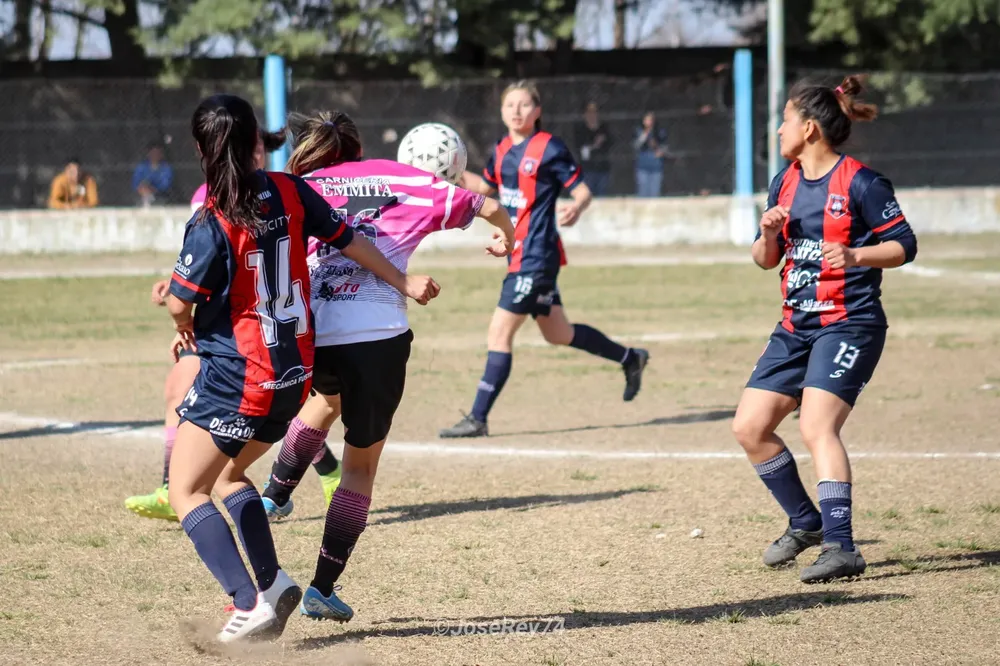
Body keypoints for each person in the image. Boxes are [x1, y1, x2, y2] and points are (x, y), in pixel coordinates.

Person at [165, 94, 437, 642]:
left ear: (201, 149)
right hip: (292, 375)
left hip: (240, 375)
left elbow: (178, 301)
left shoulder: (212, 218)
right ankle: (273, 584)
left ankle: (247, 602)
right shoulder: (291, 190)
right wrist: (403, 280)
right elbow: (349, 239)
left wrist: (184, 323)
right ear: (257, 143)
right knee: (229, 475)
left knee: (185, 491)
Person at [254, 110, 513, 621]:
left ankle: (274, 496)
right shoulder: (411, 181)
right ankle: (322, 588)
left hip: (313, 331)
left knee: (323, 402)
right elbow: (490, 206)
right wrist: (505, 238)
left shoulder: (303, 184)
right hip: (376, 337)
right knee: (359, 467)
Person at [730, 76, 918, 583]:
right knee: (749, 428)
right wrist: (768, 234)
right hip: (795, 326)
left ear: (809, 128)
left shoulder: (862, 183)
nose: (778, 130)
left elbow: (904, 245)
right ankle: (806, 522)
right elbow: (764, 260)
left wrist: (857, 254)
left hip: (849, 324)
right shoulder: (784, 182)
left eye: (785, 120)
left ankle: (842, 547)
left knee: (817, 427)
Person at [124, 128, 343, 522]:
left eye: (257, 146)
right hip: (229, 325)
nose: (252, 154)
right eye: (245, 146)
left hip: (263, 328)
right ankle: (173, 487)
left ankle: (312, 474)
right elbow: (205, 259)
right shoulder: (209, 199)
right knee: (183, 389)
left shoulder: (281, 192)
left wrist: (183, 313)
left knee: (274, 405)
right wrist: (175, 286)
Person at [439, 80, 650, 439]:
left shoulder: (549, 147)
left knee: (499, 331)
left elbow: (582, 191)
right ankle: (630, 358)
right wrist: (447, 173)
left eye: (524, 105)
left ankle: (478, 417)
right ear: (502, 112)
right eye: (510, 105)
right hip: (520, 255)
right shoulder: (501, 150)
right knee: (558, 333)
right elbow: (485, 190)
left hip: (537, 255)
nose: (516, 111)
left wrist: (577, 207)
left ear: (537, 111)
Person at [576, 102, 612, 197]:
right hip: (587, 169)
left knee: (602, 196)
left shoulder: (604, 128)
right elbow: (580, 148)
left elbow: (610, 144)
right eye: (589, 112)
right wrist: (594, 145)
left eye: (594, 112)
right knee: (587, 196)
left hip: (602, 167)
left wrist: (602, 141)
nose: (592, 115)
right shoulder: (580, 129)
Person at [633, 112, 668, 197]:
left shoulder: (659, 131)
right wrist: (644, 135)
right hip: (642, 166)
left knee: (654, 193)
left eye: (650, 120)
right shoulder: (639, 131)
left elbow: (665, 146)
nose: (649, 122)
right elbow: (635, 146)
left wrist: (660, 151)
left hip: (656, 166)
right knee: (643, 192)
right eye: (646, 120)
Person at [132, 141, 174, 206]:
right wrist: (143, 187)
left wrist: (153, 188)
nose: (155, 155)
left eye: (157, 153)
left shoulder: (166, 168)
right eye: (153, 152)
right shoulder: (141, 167)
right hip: (142, 194)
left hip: (160, 195)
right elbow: (135, 183)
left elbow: (166, 185)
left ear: (161, 154)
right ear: (148, 154)